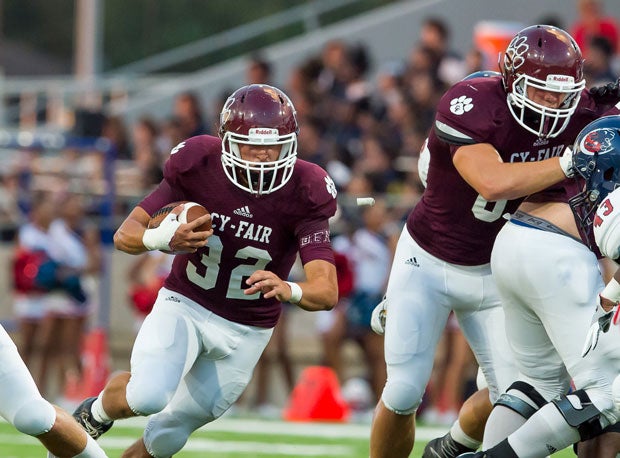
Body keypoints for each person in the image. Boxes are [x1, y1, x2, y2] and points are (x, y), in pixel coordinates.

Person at [368, 24, 617, 458]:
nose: (553, 103)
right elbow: (492, 181)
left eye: (562, 93)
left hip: (495, 271)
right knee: (405, 390)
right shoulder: (473, 103)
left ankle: (451, 448)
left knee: (518, 391)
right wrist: (571, 159)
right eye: (540, 91)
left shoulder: (581, 113)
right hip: (428, 261)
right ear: (511, 80)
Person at [71, 83, 339, 457]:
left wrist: (289, 288)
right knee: (148, 395)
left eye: (273, 147)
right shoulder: (198, 162)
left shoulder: (306, 188)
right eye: (252, 146)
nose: (263, 157)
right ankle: (95, 413)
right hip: (187, 303)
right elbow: (124, 234)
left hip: (247, 330)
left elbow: (326, 291)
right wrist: (161, 239)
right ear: (227, 140)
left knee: (168, 433)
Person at [458, 116, 620, 457]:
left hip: (513, 241)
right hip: (558, 258)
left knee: (538, 382)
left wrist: (608, 299)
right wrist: (608, 300)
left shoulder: (585, 151)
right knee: (607, 391)